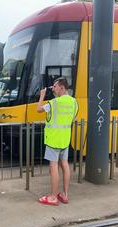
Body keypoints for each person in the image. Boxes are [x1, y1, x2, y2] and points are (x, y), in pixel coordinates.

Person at [37, 77, 78, 206]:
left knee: (53, 167)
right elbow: (74, 118)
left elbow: (38, 109)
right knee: (65, 165)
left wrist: (42, 96)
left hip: (53, 139)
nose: (53, 89)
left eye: (55, 86)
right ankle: (64, 195)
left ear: (62, 87)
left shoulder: (54, 103)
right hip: (65, 139)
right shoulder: (74, 102)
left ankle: (53, 197)